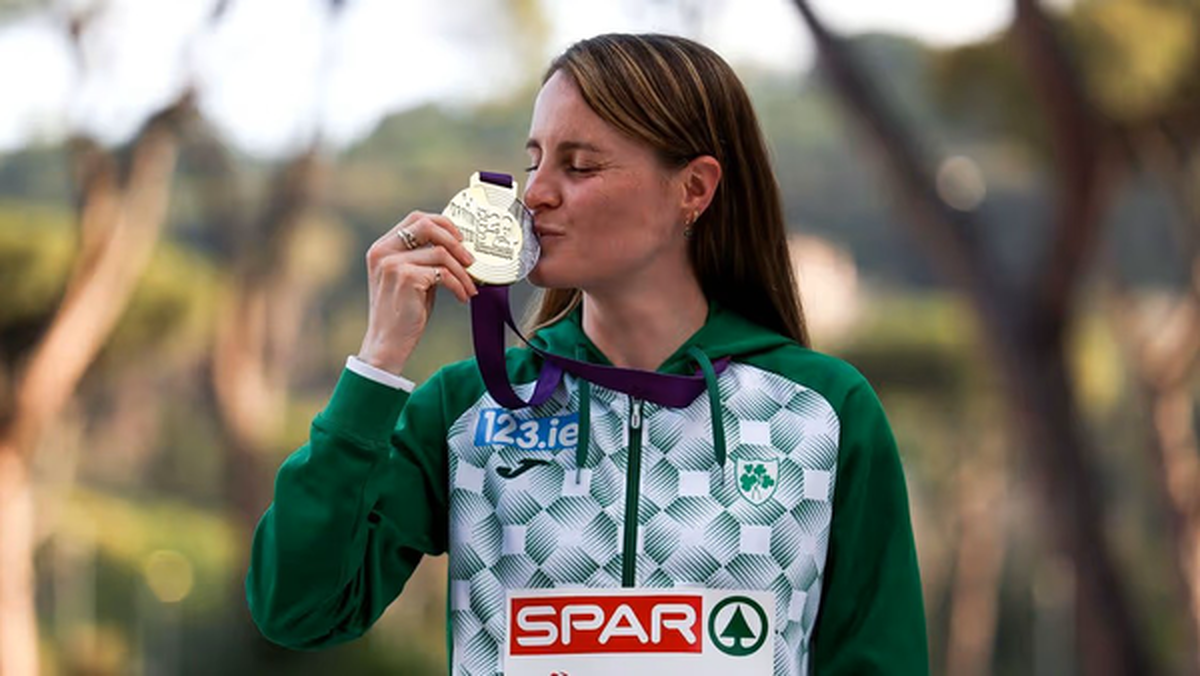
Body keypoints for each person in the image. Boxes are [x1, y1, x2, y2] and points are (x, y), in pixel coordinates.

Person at [247, 33, 928, 676]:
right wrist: (377, 363)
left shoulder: (824, 413)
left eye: (579, 166)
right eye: (534, 161)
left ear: (693, 189)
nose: (536, 193)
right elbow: (297, 608)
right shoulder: (465, 409)